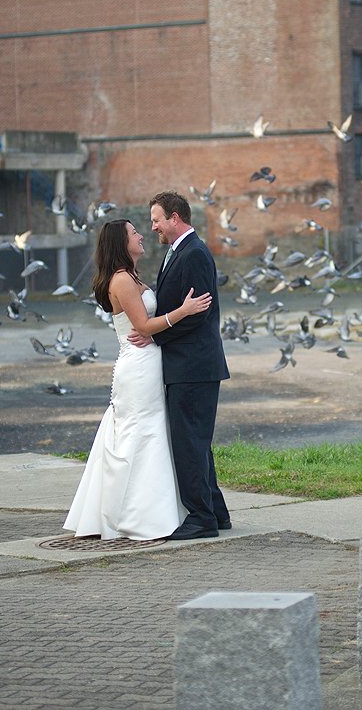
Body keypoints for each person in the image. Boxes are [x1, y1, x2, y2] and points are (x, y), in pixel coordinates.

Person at [63, 219, 212, 540]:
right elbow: (143, 327)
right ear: (121, 242)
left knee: (154, 431)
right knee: (142, 433)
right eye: (134, 233)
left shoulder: (131, 277)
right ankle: (137, 514)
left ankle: (159, 510)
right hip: (138, 367)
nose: (142, 235)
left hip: (149, 362)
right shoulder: (121, 281)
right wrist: (183, 311)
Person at [128, 191, 230, 540]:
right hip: (189, 365)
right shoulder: (179, 251)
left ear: (175, 218)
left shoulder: (195, 253)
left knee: (189, 442)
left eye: (157, 219)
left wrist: (155, 336)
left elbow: (197, 314)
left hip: (194, 366)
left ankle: (201, 518)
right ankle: (215, 512)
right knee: (196, 441)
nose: (153, 226)